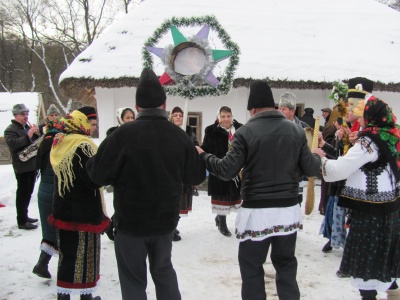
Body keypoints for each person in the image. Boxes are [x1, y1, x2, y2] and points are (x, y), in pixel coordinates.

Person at [86, 68, 206, 300]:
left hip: (131, 223)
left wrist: (94, 160)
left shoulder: (121, 136)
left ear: (137, 107)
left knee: (133, 281)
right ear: (164, 104)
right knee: (163, 272)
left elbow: (97, 175)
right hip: (164, 222)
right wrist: (198, 156)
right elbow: (195, 176)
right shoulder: (179, 137)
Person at [196, 81, 321, 300]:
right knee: (286, 264)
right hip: (287, 208)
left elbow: (226, 170)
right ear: (273, 106)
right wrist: (317, 155)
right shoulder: (296, 130)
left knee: (252, 266)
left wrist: (203, 155)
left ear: (252, 109)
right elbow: (310, 168)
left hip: (257, 210)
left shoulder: (245, 132)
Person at [313, 80, 400, 300]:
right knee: (382, 259)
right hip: (388, 210)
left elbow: (340, 169)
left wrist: (319, 160)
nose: (358, 118)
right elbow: (354, 164)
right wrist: (328, 148)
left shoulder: (368, 142)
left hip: (370, 213)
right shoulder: (390, 136)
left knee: (367, 264)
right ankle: (393, 293)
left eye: (362, 115)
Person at [49, 110, 110, 300]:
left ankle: (63, 296)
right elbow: (91, 180)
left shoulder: (60, 142)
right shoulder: (83, 146)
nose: (92, 127)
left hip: (63, 209)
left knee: (67, 257)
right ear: (80, 124)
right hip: (84, 212)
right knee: (86, 258)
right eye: (89, 123)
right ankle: (86, 297)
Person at [201, 105, 243, 237]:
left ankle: (237, 224)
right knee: (221, 197)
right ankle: (222, 222)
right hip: (219, 168)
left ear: (232, 117)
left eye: (228, 116)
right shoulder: (211, 131)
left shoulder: (240, 129)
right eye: (223, 116)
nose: (226, 119)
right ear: (218, 117)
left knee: (235, 198)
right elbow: (206, 148)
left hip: (237, 170)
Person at [32, 113, 61, 279]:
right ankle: (45, 264)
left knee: (48, 230)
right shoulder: (57, 142)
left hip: (44, 190)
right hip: (54, 191)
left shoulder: (44, 140)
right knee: (59, 231)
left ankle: (42, 263)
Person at [4, 103, 40, 230]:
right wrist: (28, 135)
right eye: (22, 114)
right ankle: (21, 220)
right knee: (23, 193)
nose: (26, 116)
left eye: (27, 114)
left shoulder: (26, 127)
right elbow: (13, 144)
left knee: (29, 192)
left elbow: (36, 143)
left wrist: (36, 133)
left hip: (31, 165)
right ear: (15, 115)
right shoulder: (10, 129)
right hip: (22, 166)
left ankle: (25, 216)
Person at [104, 107, 136, 241]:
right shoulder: (113, 133)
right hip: (120, 175)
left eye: (132, 117)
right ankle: (113, 227)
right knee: (121, 204)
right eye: (127, 117)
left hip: (134, 172)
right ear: (120, 119)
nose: (130, 120)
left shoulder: (137, 132)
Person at [169, 106, 200, 241]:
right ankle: (169, 229)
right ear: (171, 117)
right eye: (175, 115)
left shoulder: (189, 133)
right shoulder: (167, 130)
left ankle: (174, 226)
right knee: (171, 202)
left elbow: (196, 150)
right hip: (171, 172)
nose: (178, 117)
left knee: (182, 202)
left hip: (185, 172)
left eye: (180, 115)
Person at [278, 92, 310, 205]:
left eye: (284, 109)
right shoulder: (274, 126)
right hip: (277, 175)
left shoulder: (303, 128)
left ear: (293, 111)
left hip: (296, 175)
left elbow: (308, 151)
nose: (280, 111)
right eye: (279, 108)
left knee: (295, 203)